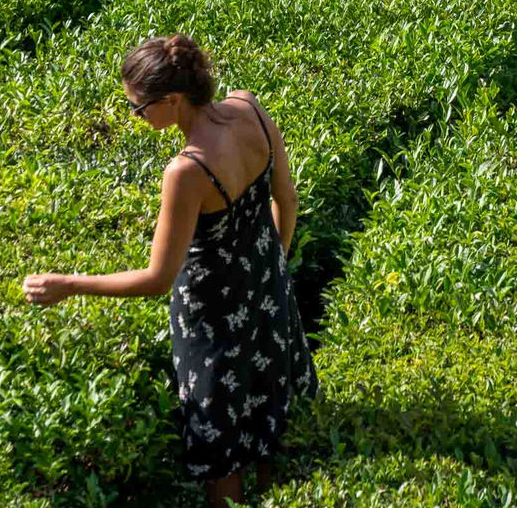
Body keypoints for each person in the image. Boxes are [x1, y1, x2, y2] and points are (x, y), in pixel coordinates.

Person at [22, 34, 317, 507]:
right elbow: (289, 199)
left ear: (174, 100)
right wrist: (273, 271)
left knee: (221, 446)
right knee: (271, 419)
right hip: (266, 296)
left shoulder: (187, 170)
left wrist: (69, 284)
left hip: (213, 322)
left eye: (139, 108)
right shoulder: (251, 109)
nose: (137, 118)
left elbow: (158, 277)